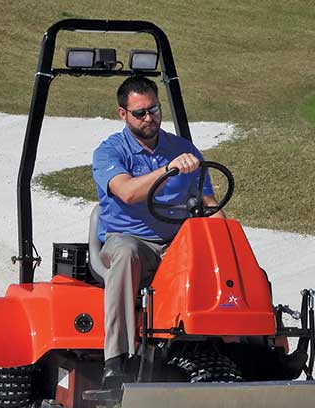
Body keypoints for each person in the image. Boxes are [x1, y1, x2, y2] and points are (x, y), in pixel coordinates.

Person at [92, 75, 225, 388]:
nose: (149, 118)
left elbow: (208, 203)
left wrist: (230, 241)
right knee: (125, 256)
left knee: (226, 253)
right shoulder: (109, 152)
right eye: (140, 113)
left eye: (154, 109)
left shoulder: (183, 148)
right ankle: (118, 360)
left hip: (178, 241)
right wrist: (167, 169)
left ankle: (250, 345)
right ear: (122, 114)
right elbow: (126, 192)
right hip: (130, 240)